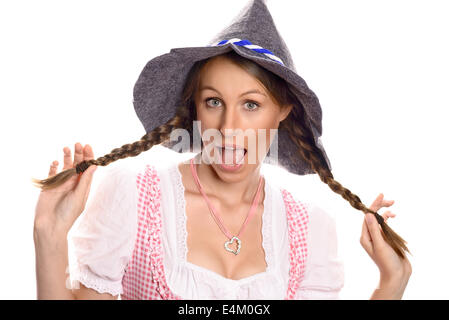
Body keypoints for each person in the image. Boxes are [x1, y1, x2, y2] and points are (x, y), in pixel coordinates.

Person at [32, 0, 411, 300]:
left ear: (282, 112)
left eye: (250, 104)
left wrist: (390, 286)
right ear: (194, 105)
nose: (228, 129)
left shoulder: (310, 230)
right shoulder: (132, 198)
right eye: (214, 102)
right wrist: (48, 238)